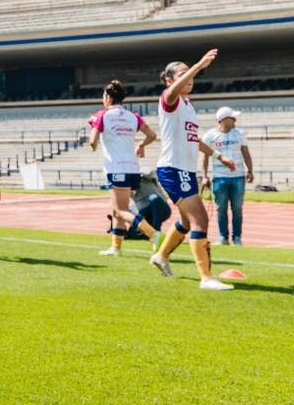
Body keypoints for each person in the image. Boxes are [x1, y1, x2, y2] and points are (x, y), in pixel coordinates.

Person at [149, 52, 237, 290]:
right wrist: (198, 65)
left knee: (188, 222)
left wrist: (220, 156)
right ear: (169, 80)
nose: (190, 77)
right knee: (200, 219)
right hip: (173, 169)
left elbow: (193, 139)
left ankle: (161, 256)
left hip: (184, 170)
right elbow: (172, 93)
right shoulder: (169, 98)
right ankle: (207, 277)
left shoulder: (188, 105)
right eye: (182, 73)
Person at [87, 79, 159, 256]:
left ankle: (154, 235)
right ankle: (116, 247)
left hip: (116, 168)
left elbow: (92, 141)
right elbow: (152, 135)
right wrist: (141, 145)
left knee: (121, 210)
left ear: (109, 98)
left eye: (104, 96)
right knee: (117, 209)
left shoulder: (102, 115)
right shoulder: (133, 116)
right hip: (133, 169)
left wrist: (93, 144)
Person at [202, 106, 253, 246]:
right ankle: (223, 238)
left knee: (237, 208)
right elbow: (205, 157)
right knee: (221, 209)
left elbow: (245, 152)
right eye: (232, 118)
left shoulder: (240, 134)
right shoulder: (210, 136)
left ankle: (237, 238)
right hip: (219, 177)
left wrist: (250, 170)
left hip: (238, 177)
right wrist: (204, 176)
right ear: (223, 120)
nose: (235, 120)